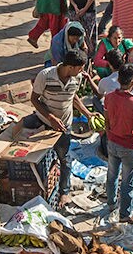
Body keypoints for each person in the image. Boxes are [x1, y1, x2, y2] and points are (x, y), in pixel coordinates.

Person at [28, 49, 93, 211]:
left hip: (65, 125)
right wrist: (50, 118)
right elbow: (34, 99)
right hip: (44, 123)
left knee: (65, 159)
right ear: (70, 67)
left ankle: (64, 191)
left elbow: (73, 96)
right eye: (80, 68)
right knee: (40, 158)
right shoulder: (45, 75)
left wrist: (88, 113)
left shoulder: (77, 77)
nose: (82, 71)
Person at [100, 61, 133, 227]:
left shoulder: (109, 97)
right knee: (128, 181)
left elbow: (106, 121)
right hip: (129, 146)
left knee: (112, 174)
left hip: (112, 142)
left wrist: (109, 135)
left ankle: (111, 204)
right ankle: (124, 214)